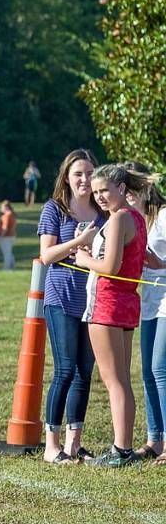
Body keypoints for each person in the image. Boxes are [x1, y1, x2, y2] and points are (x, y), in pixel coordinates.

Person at [75, 164, 152, 467]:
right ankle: (124, 448)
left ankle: (121, 450)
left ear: (121, 189)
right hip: (125, 303)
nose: (100, 197)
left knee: (114, 381)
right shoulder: (136, 217)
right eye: (96, 193)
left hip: (108, 303)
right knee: (121, 380)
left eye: (105, 190)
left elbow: (110, 267)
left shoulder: (120, 219)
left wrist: (83, 258)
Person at [37, 149, 103, 464]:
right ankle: (51, 445)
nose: (85, 179)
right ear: (67, 176)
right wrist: (79, 242)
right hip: (61, 298)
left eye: (90, 172)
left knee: (84, 372)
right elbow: (47, 256)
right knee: (64, 369)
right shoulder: (55, 209)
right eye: (78, 173)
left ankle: (74, 444)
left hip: (92, 300)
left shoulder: (103, 212)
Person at [129, 161, 166, 466]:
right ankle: (155, 440)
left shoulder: (163, 216)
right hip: (149, 303)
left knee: (160, 369)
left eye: (129, 188)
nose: (125, 194)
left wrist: (155, 262)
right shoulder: (133, 221)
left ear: (144, 188)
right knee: (146, 372)